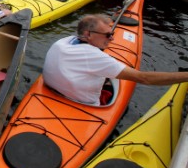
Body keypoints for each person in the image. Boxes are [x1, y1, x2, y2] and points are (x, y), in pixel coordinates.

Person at [42, 15, 188, 106]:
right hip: (84, 104)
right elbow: (144, 78)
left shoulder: (64, 41)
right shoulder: (94, 57)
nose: (112, 38)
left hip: (52, 92)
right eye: (107, 35)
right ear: (88, 34)